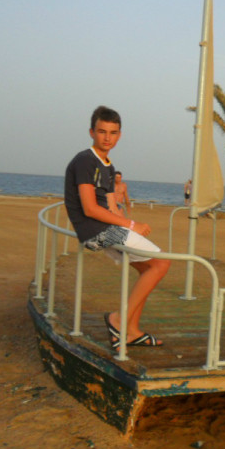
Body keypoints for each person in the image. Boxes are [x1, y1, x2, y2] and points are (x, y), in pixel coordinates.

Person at [64, 105, 171, 349]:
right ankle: (119, 321)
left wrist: (127, 224)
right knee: (162, 263)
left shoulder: (108, 166)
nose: (107, 138)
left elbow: (111, 206)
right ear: (92, 132)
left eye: (113, 133)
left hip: (106, 228)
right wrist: (131, 224)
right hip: (95, 231)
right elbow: (90, 209)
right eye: (102, 132)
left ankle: (131, 331)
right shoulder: (85, 161)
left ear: (119, 135)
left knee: (150, 268)